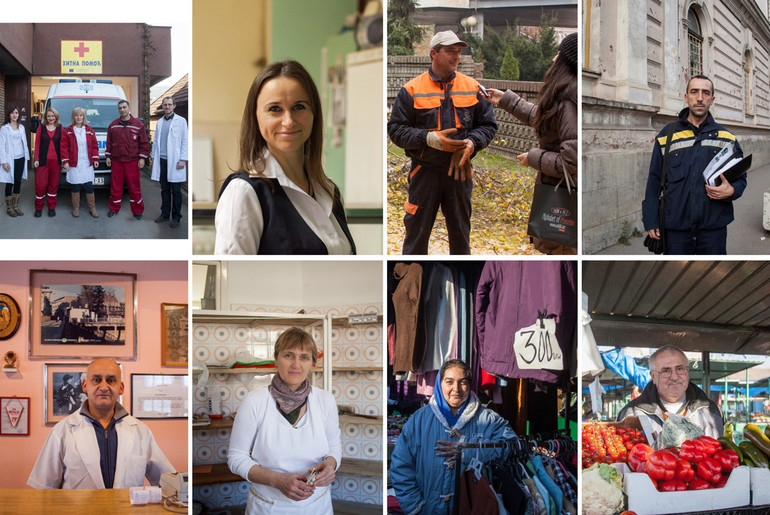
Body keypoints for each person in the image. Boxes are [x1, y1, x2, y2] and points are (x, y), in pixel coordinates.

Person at [215, 60, 356, 255]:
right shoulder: (244, 192)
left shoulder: (329, 191)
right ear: (255, 117)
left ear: (314, 113)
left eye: (299, 106)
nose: (288, 121)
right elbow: (235, 279)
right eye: (274, 109)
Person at [388, 31, 498, 255]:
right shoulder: (411, 90)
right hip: (424, 172)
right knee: (416, 236)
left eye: (458, 52)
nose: (456, 56)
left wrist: (471, 143)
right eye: (450, 51)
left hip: (460, 171)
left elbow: (488, 126)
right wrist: (429, 139)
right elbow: (396, 130)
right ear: (433, 53)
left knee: (460, 236)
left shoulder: (473, 87)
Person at [228, 327, 341, 513]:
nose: (296, 364)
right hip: (268, 506)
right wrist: (276, 480)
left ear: (313, 363)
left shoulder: (325, 400)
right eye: (289, 355)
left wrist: (330, 464)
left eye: (304, 357)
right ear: (276, 360)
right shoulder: (255, 401)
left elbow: (335, 448)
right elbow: (236, 458)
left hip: (317, 506)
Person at [487, 32, 578, 255]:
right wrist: (507, 100)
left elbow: (571, 162)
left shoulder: (569, 99)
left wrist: (534, 158)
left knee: (561, 249)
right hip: (558, 191)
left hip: (565, 199)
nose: (554, 59)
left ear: (566, 61)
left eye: (559, 54)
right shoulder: (566, 95)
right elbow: (547, 119)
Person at [390, 359, 517, 515]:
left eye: (463, 382)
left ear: (469, 385)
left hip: (473, 509)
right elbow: (401, 465)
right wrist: (415, 506)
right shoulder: (419, 420)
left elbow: (512, 446)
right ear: (439, 383)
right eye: (449, 382)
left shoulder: (489, 419)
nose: (456, 389)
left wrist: (470, 449)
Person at [28, 358, 174, 489]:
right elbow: (43, 488)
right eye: (96, 380)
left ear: (121, 387)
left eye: (111, 380)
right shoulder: (62, 430)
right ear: (85, 385)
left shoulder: (141, 431)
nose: (103, 387)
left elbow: (169, 482)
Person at [642, 75, 747, 254]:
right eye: (694, 92)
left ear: (712, 99)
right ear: (686, 97)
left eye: (705, 93)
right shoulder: (667, 135)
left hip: (713, 231)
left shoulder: (726, 138)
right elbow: (654, 180)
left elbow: (741, 179)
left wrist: (732, 191)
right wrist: (651, 219)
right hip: (676, 230)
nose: (700, 98)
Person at [617, 345, 724, 440]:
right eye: (666, 371)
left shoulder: (713, 412)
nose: (674, 377)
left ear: (687, 371)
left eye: (680, 369)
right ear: (653, 376)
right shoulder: (630, 415)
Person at [105, 100, 149, 220]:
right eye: (120, 108)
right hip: (117, 162)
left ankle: (138, 210)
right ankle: (113, 209)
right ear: (118, 110)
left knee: (134, 187)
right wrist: (108, 156)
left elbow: (144, 143)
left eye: (124, 107)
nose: (122, 110)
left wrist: (142, 159)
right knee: (115, 187)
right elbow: (109, 142)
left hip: (132, 161)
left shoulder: (138, 125)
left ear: (129, 108)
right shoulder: (113, 125)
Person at [151, 96, 188, 228]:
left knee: (176, 191)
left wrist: (183, 159)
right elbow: (156, 141)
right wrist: (153, 157)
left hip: (176, 161)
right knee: (164, 189)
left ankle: (176, 217)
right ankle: (165, 214)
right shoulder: (160, 122)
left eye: (169, 104)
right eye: (165, 105)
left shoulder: (181, 121)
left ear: (174, 106)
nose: (167, 107)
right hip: (162, 160)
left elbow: (185, 141)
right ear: (163, 106)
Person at [61, 107, 100, 218]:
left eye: (81, 115)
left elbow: (94, 146)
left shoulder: (89, 130)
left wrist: (96, 159)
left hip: (86, 164)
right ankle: (76, 208)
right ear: (73, 117)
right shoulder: (68, 131)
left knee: (89, 186)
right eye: (76, 115)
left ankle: (92, 208)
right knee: (75, 187)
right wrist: (65, 162)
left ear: (84, 117)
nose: (78, 118)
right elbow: (63, 148)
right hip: (74, 164)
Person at [33, 107, 63, 217]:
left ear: (56, 117)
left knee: (53, 185)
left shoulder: (60, 128)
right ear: (46, 117)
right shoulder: (41, 128)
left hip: (56, 162)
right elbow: (37, 144)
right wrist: (36, 159)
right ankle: (39, 208)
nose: (51, 118)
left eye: (53, 116)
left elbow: (63, 145)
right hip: (42, 161)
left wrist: (64, 160)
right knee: (40, 185)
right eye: (49, 116)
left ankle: (51, 207)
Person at [0, 106, 30, 217]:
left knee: (17, 181)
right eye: (12, 113)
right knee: (10, 182)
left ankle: (16, 206)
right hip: (9, 159)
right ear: (9, 115)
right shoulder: (4, 128)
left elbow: (24, 143)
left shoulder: (21, 127)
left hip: (20, 157)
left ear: (18, 115)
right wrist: (3, 162)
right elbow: (1, 145)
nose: (14, 115)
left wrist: (26, 156)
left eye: (16, 113)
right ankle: (9, 208)